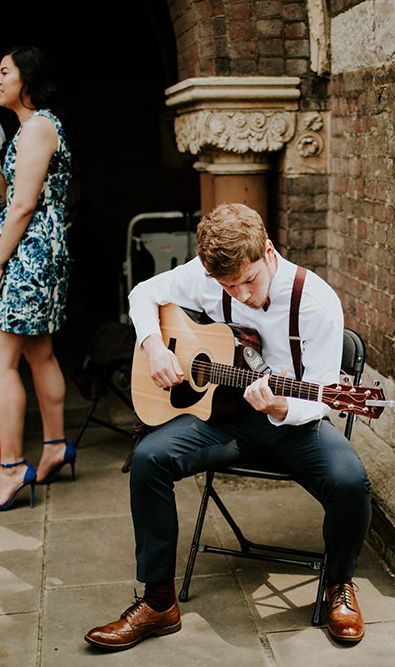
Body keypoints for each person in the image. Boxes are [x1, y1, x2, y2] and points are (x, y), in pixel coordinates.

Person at [84, 202, 372, 650]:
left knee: (351, 481)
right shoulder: (205, 275)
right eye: (226, 286)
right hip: (222, 420)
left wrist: (280, 406)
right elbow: (142, 292)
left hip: (292, 425)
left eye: (248, 281)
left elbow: (321, 395)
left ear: (269, 252)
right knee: (148, 460)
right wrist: (155, 346)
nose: (239, 295)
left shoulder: (316, 303)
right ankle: (159, 601)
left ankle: (339, 585)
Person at [0, 46, 74, 512]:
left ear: (27, 78)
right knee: (38, 352)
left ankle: (9, 467)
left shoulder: (40, 126)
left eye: (3, 71)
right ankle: (55, 446)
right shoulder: (27, 130)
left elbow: (22, 205)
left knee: (1, 362)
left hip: (29, 253)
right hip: (36, 250)